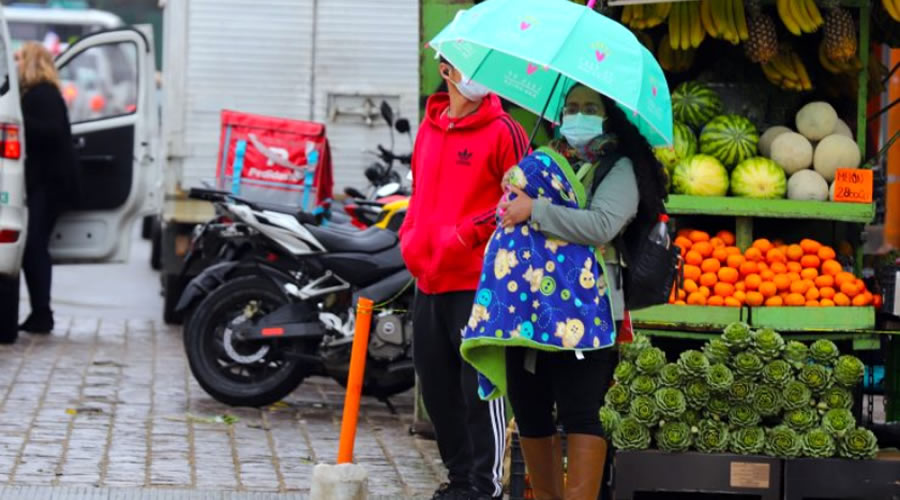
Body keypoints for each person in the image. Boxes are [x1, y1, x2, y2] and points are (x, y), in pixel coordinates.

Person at [461, 84, 668, 500]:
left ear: (607, 115)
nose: (578, 115)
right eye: (571, 107)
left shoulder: (620, 168)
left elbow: (601, 226)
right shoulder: (543, 163)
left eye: (589, 108)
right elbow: (512, 213)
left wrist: (534, 210)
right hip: (529, 310)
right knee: (531, 411)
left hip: (586, 316)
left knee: (580, 414)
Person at [399, 57, 528, 500]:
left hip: (479, 280)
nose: (476, 72)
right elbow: (418, 192)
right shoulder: (429, 126)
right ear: (446, 68)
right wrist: (411, 237)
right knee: (435, 385)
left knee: (480, 388)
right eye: (465, 62)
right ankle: (458, 480)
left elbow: (521, 199)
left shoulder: (505, 130)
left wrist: (465, 235)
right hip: (428, 279)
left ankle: (483, 484)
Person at [15, 42, 79, 335]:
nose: (15, 64)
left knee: (34, 246)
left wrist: (17, 123)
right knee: (34, 245)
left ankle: (43, 313)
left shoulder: (42, 95)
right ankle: (41, 312)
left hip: (48, 183)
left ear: (31, 62)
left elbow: (50, 133)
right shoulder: (44, 94)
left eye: (19, 58)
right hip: (51, 182)